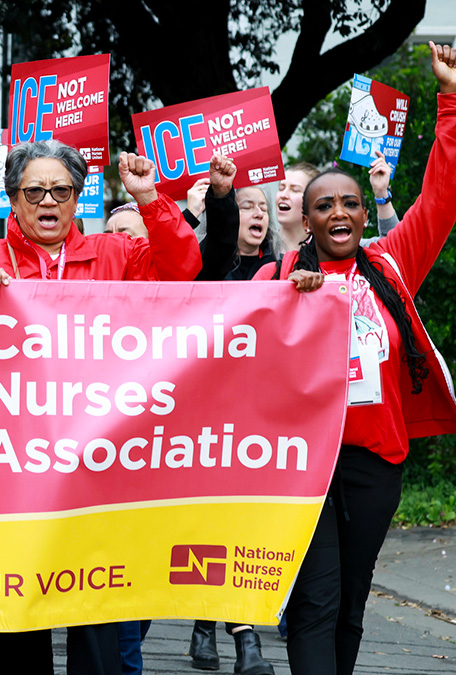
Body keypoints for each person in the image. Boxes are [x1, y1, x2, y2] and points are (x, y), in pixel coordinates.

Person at [0, 139, 202, 675]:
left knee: (97, 623)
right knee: (23, 630)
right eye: (35, 191)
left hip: (97, 472)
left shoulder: (115, 254)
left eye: (61, 190)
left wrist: (149, 197)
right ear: (13, 197)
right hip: (16, 474)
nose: (48, 201)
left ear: (78, 197)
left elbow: (182, 268)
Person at [254, 41, 456, 675]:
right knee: (314, 600)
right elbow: (228, 344)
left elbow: (442, 199)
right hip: (301, 465)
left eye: (348, 203)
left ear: (364, 213)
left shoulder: (391, 267)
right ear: (306, 221)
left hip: (376, 460)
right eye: (323, 205)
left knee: (351, 603)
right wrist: (290, 302)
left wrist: (450, 100)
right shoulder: (276, 277)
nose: (338, 212)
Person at [186, 156, 277, 675]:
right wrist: (209, 208)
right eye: (246, 205)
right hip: (205, 418)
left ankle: (219, 627)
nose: (256, 214)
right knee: (213, 522)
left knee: (238, 526)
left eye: (261, 207)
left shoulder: (284, 272)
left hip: (256, 420)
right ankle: (236, 635)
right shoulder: (210, 265)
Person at [274, 163, 318, 254]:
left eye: (295, 190)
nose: (283, 195)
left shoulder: (325, 251)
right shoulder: (262, 246)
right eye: (281, 188)